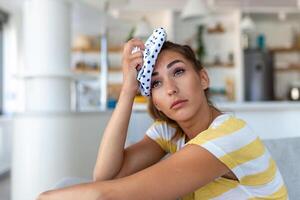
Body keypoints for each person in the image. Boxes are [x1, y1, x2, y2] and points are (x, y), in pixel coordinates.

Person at [37, 39, 288, 200]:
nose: (170, 88)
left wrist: (47, 197)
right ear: (155, 101)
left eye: (178, 71)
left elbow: (111, 194)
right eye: (156, 83)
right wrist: (127, 89)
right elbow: (105, 176)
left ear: (203, 79)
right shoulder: (170, 132)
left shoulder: (230, 135)